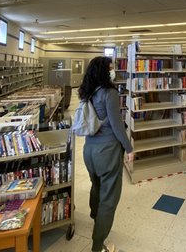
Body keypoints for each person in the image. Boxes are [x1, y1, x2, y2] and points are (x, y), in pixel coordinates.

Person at [79, 56, 134, 252]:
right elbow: (117, 126)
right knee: (109, 198)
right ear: (104, 71)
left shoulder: (86, 92)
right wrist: (129, 148)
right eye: (111, 68)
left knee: (97, 186)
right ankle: (97, 244)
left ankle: (96, 217)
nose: (114, 71)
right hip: (107, 152)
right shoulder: (109, 93)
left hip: (89, 151)